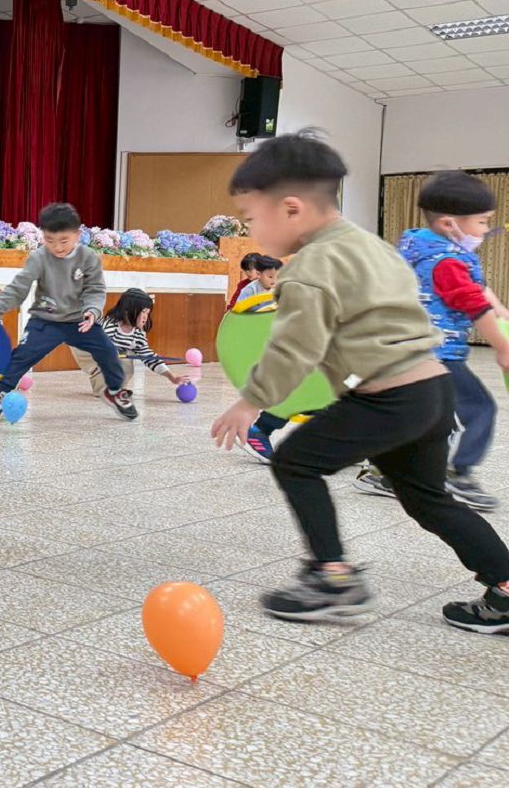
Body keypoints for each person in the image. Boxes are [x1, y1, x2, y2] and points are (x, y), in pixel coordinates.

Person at [210, 132, 509, 633]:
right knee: (428, 500)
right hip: (432, 389)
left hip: (387, 397)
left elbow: (293, 349)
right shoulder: (372, 246)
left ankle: (332, 580)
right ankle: (505, 585)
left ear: (290, 209)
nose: (252, 231)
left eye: (251, 218)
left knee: (295, 461)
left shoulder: (310, 268)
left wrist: (250, 402)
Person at [391, 170, 509, 511]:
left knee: (424, 416)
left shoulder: (428, 249)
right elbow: (472, 303)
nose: (486, 230)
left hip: (415, 349)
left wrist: (501, 311)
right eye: (482, 222)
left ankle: (384, 471)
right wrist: (503, 347)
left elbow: (478, 288)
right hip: (437, 353)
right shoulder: (447, 261)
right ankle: (459, 472)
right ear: (448, 223)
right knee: (479, 409)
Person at [0, 202, 137, 421]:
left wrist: (92, 311)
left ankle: (115, 391)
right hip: (46, 320)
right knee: (22, 355)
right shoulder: (39, 257)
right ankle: (1, 394)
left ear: (77, 235)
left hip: (79, 320)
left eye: (64, 240)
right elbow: (18, 288)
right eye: (50, 240)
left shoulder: (88, 257)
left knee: (108, 351)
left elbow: (95, 289)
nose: (57, 247)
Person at [70, 288, 189, 397]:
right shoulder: (111, 325)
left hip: (106, 351)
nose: (145, 317)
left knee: (126, 364)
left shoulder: (138, 334)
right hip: (84, 347)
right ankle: (104, 390)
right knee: (113, 360)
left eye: (147, 313)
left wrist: (171, 377)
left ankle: (115, 388)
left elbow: (149, 357)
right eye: (143, 312)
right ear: (127, 311)